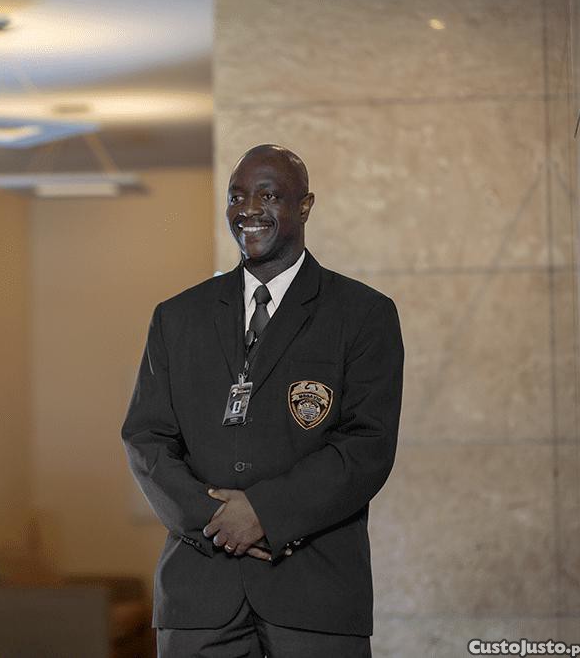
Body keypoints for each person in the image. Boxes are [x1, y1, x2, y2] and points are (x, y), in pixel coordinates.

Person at [121, 144, 404, 657]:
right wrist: (217, 522)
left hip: (315, 597)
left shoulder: (364, 314)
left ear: (305, 205)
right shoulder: (176, 318)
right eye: (236, 197)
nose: (248, 209)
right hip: (199, 599)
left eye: (268, 195)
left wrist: (264, 513)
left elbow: (367, 446)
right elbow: (147, 440)